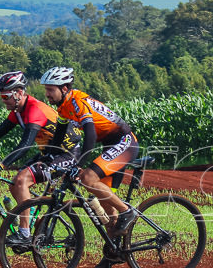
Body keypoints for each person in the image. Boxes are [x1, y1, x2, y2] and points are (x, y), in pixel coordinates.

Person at [0, 71, 82, 246]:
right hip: (49, 153)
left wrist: (0, 165)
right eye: (2, 96)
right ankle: (37, 220)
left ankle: (25, 234)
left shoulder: (35, 109)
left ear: (19, 93)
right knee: (15, 185)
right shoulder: (18, 110)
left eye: (6, 96)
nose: (3, 100)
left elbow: (25, 144)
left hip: (67, 153)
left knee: (21, 181)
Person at [40, 66, 140, 238]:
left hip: (124, 141)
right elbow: (59, 135)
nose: (47, 94)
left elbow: (90, 136)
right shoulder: (63, 106)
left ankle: (127, 212)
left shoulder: (78, 102)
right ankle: (114, 254)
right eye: (46, 90)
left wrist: (79, 164)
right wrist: (49, 156)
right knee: (107, 206)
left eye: (50, 90)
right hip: (110, 145)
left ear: (64, 88)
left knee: (88, 178)